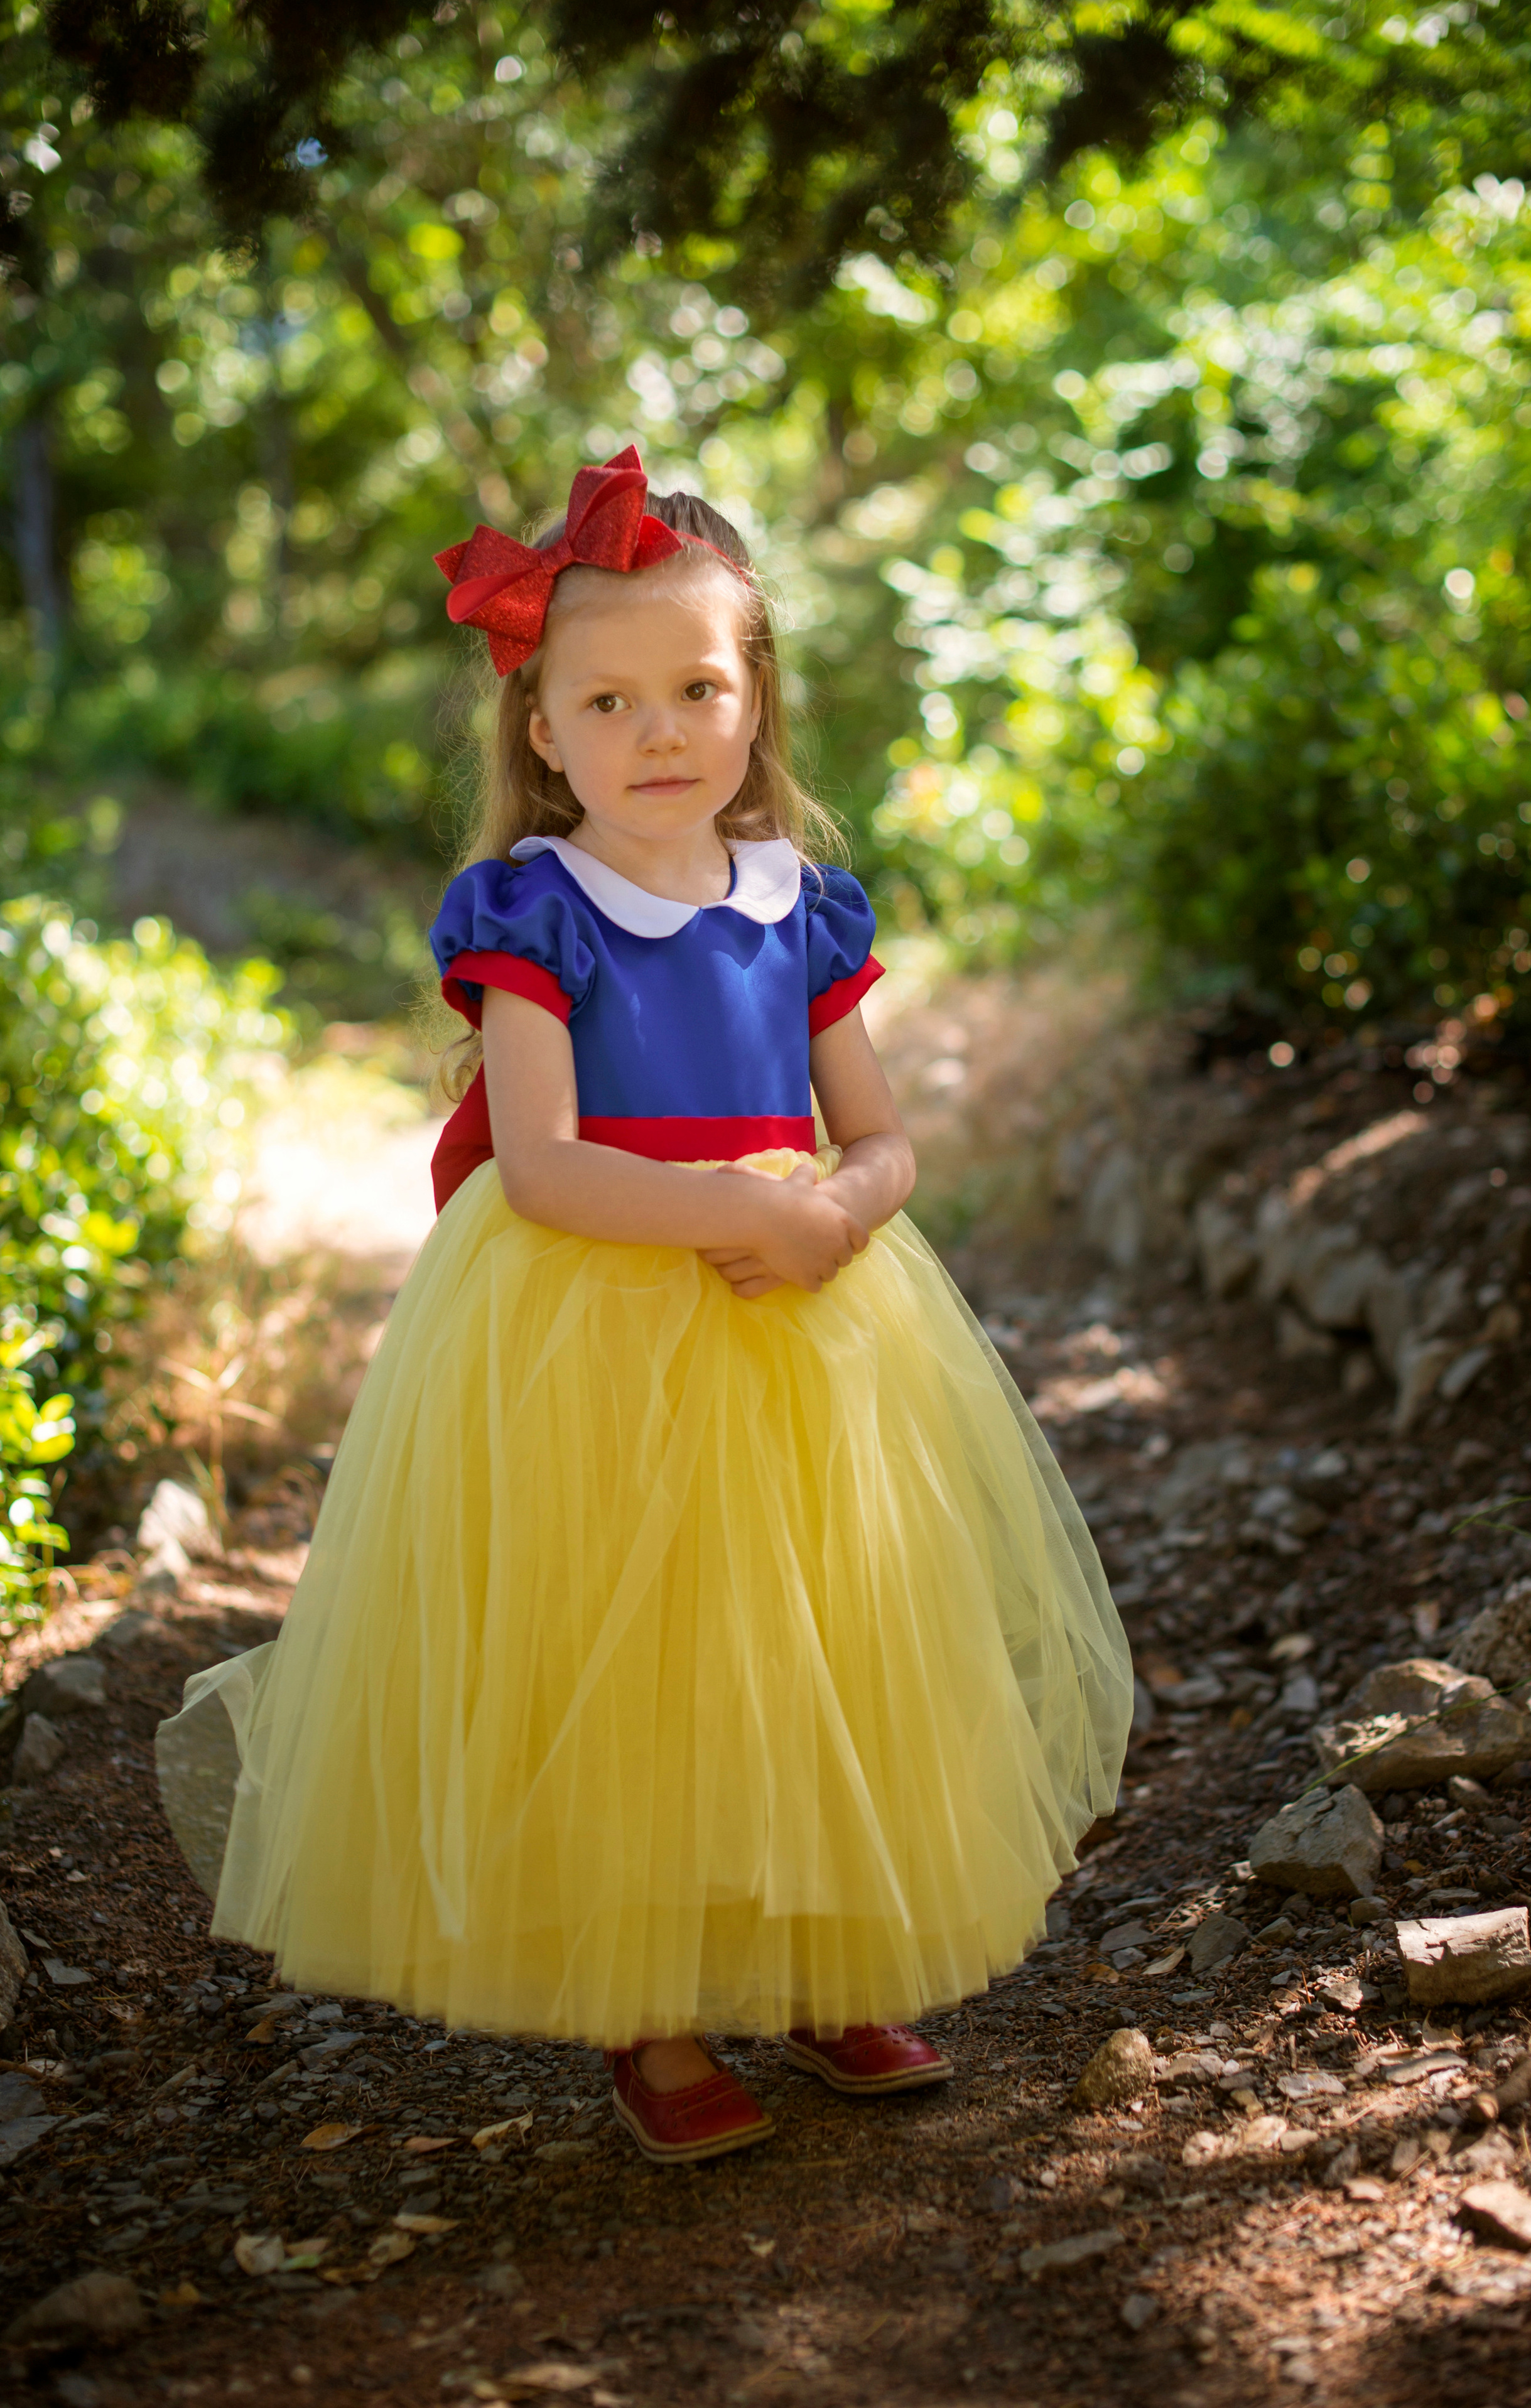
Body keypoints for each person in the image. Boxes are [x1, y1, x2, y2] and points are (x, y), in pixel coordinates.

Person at [156, 446, 1130, 2167]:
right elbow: (537, 1160)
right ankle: (650, 2005)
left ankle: (840, 1950)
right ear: (545, 730)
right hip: (594, 1310)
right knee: (625, 1645)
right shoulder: (536, 910)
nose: (660, 729)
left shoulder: (804, 908)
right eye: (610, 699)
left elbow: (884, 1134)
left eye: (698, 686)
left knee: (826, 1629)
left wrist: (836, 1209)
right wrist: (715, 1215)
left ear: (756, 701)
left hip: (808, 1314)